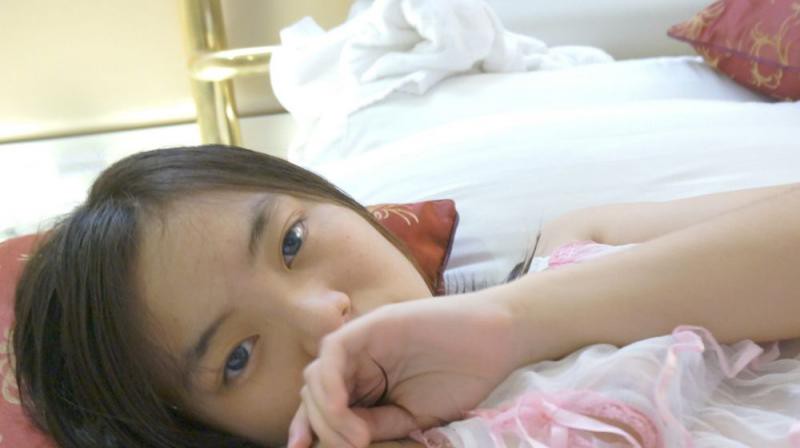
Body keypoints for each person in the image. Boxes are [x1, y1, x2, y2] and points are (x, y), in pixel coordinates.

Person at [11, 144, 800, 448]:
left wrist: (516, 323)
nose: (322, 316)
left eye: (292, 242)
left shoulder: (577, 240)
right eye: (239, 357)